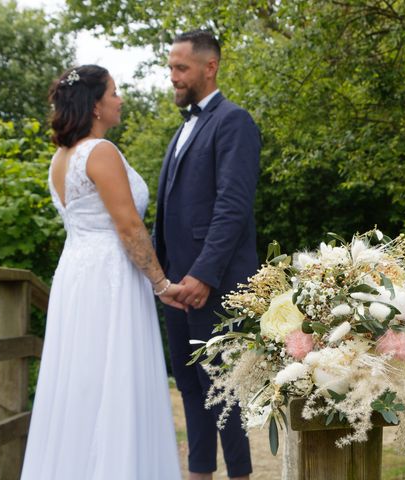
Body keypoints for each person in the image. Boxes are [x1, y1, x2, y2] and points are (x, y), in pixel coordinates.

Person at [21, 65, 182, 480]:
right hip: (111, 278)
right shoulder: (100, 152)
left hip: (77, 276)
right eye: (114, 92)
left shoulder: (61, 158)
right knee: (113, 381)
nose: (120, 98)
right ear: (95, 105)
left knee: (82, 383)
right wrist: (162, 284)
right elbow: (128, 226)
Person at [154, 30, 261, 480]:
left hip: (212, 285)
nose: (173, 77)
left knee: (225, 391)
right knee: (192, 389)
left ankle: (240, 474)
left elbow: (232, 207)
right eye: (171, 68)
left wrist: (203, 275)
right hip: (177, 286)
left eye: (181, 68)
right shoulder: (183, 128)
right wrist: (162, 278)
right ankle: (199, 473)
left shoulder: (233, 121)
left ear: (209, 67)